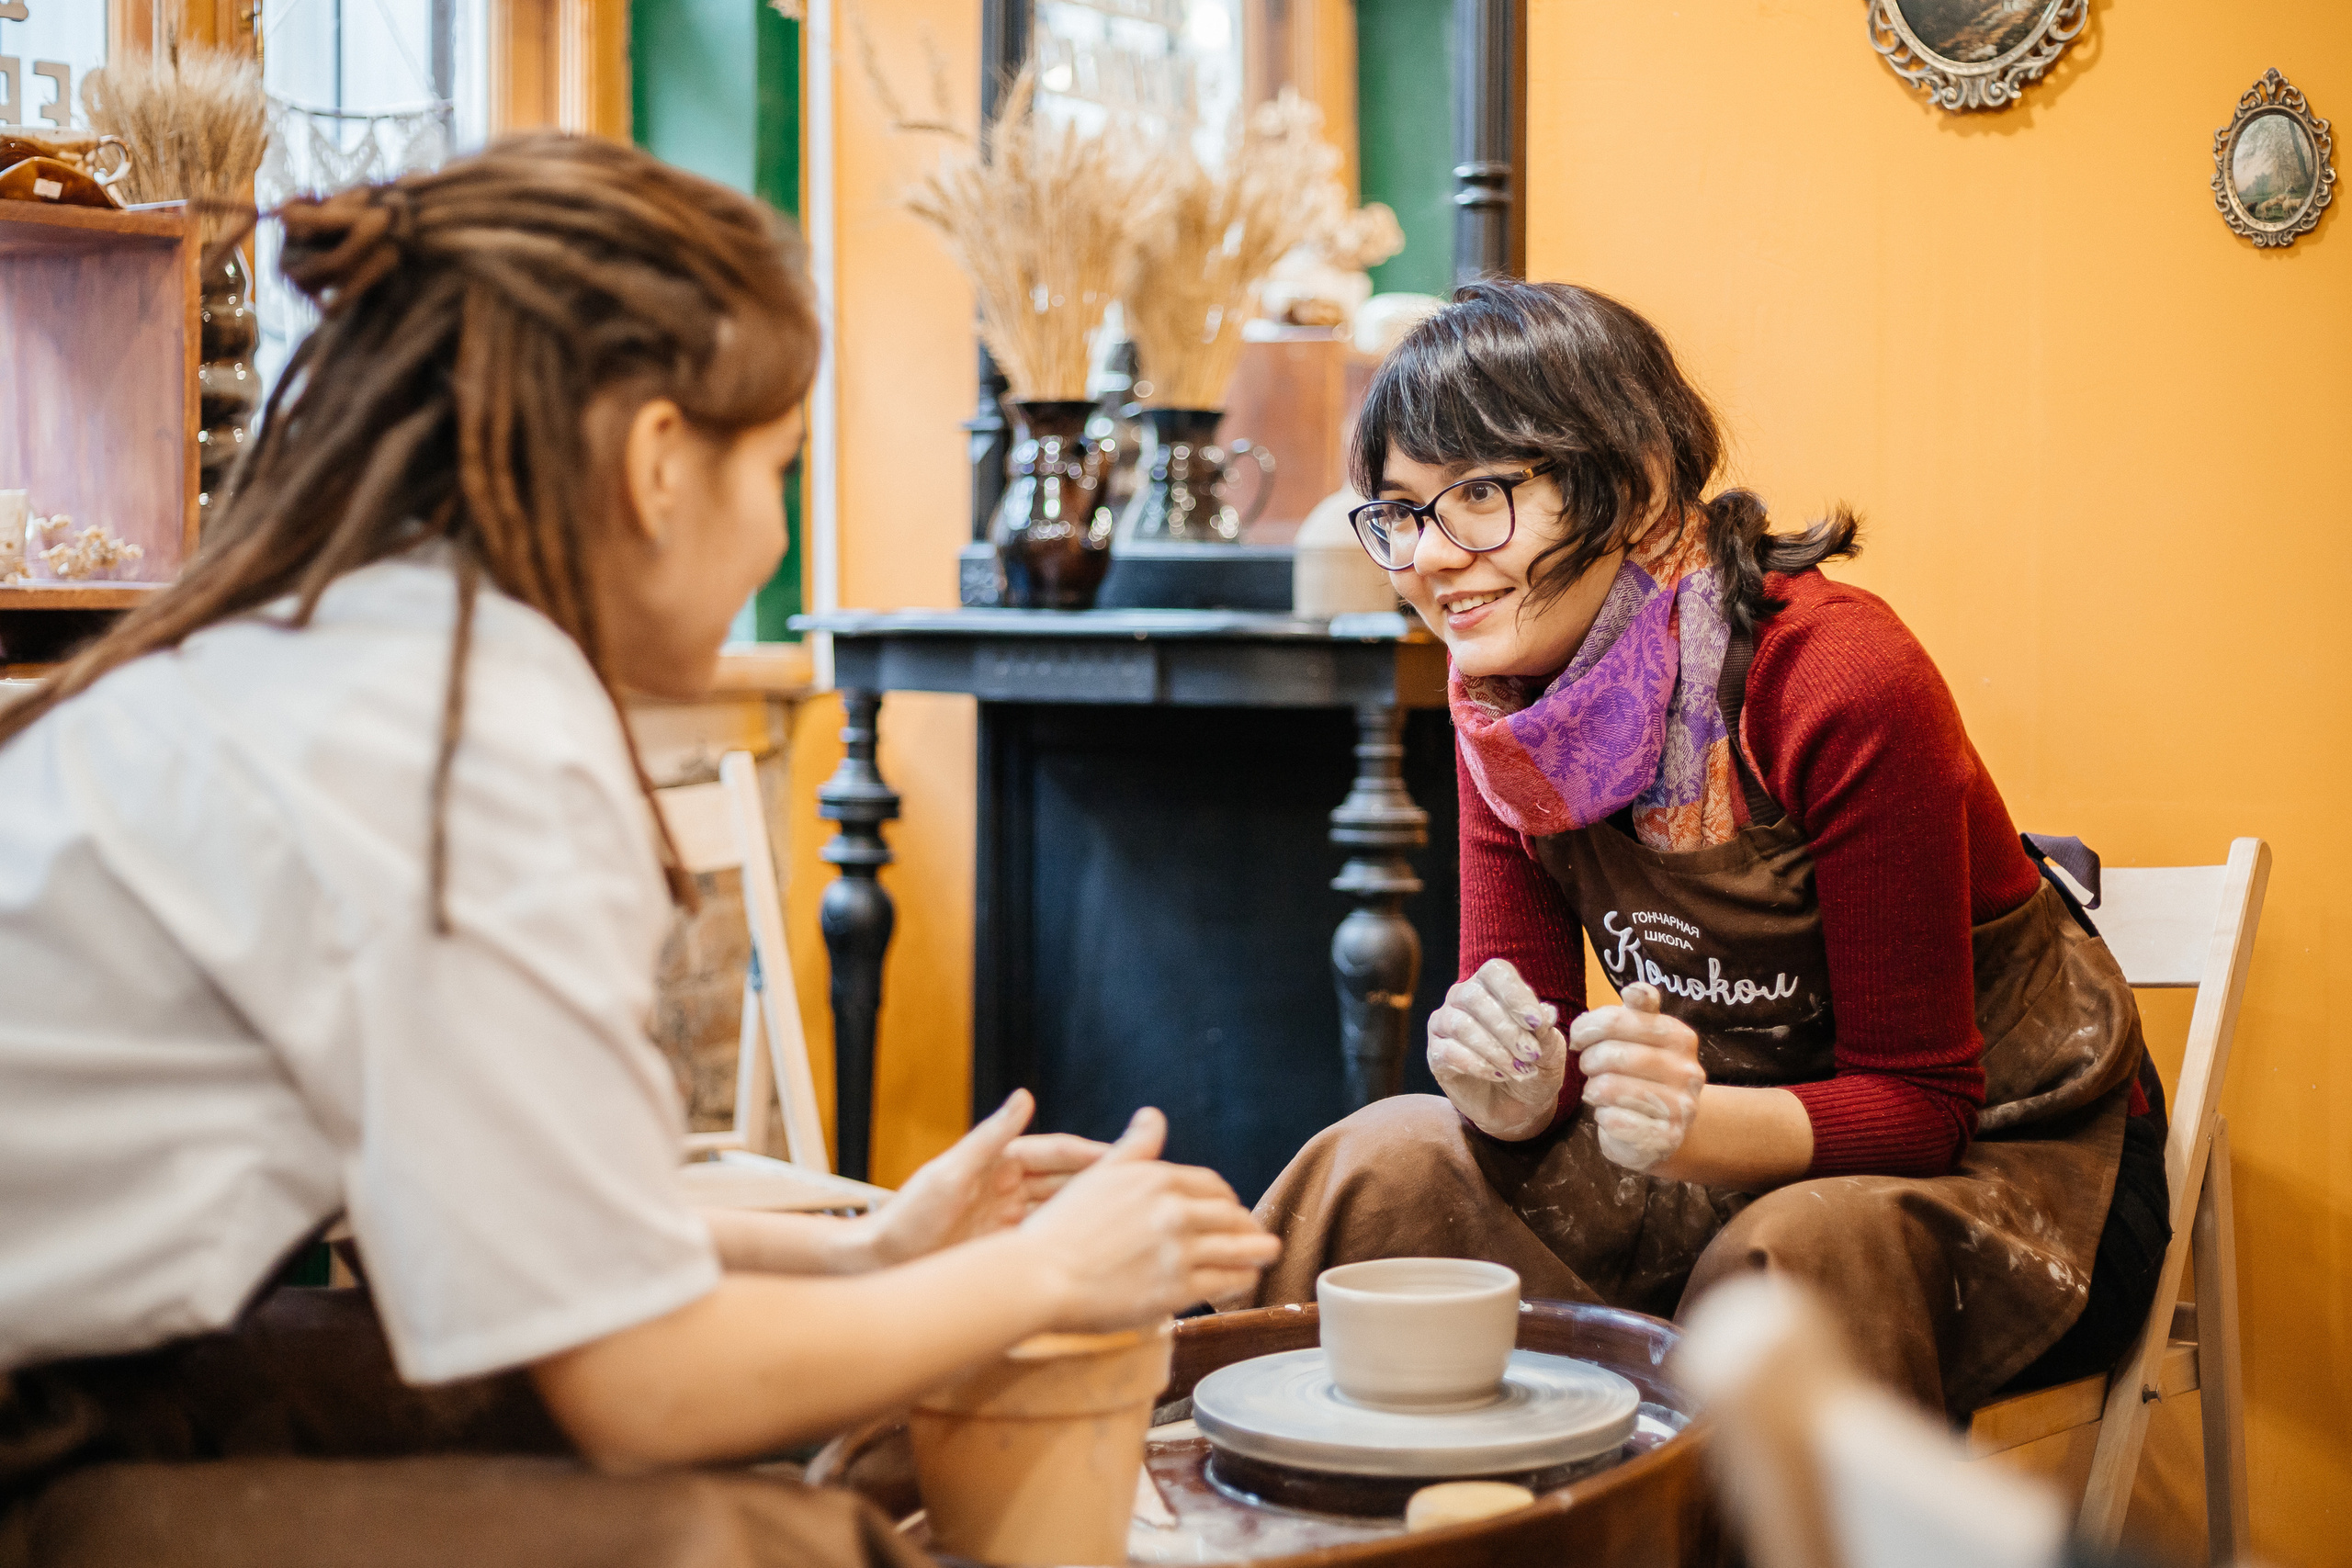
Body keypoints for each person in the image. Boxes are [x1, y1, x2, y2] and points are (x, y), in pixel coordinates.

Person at [0, 136, 1278, 1567]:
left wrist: (869, 1252)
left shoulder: (365, 648)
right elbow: (644, 1384)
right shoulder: (467, 730)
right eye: (778, 469)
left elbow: (525, 1227)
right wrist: (1047, 1270)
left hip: (84, 1366)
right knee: (781, 1541)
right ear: (659, 459)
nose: (775, 538)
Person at [1250, 280, 2169, 1418]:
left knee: (1784, 1270)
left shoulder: (1837, 679)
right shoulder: (1503, 704)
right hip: (1714, 1153)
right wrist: (1507, 1088)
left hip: (2013, 1165)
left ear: (1633, 478)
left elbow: (1923, 1105)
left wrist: (1691, 1126)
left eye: (1479, 494)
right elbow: (1540, 1071)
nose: (1431, 558)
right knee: (1384, 1158)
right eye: (1400, 512)